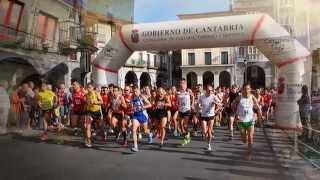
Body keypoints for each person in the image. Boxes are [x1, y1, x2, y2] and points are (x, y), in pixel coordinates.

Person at [233, 83, 262, 157]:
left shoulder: (252, 97)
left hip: (250, 120)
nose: (246, 90)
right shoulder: (239, 97)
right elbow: (233, 105)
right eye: (245, 89)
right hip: (241, 121)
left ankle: (249, 153)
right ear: (242, 89)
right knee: (244, 140)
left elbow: (258, 106)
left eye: (248, 89)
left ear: (250, 89)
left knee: (250, 138)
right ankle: (244, 137)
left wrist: (260, 115)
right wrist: (235, 114)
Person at [198, 85, 221, 151]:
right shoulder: (202, 96)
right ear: (206, 90)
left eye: (211, 90)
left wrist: (216, 105)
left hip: (211, 115)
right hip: (203, 115)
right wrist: (199, 106)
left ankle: (209, 145)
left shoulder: (213, 96)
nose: (210, 91)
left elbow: (220, 104)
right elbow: (199, 103)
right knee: (205, 132)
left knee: (209, 132)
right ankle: (207, 130)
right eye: (208, 90)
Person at [130, 86, 153, 152]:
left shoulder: (142, 97)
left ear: (139, 91)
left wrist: (142, 107)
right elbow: (132, 107)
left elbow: (150, 105)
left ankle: (149, 134)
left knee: (145, 131)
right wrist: (132, 109)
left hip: (143, 115)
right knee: (134, 130)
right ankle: (135, 146)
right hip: (136, 116)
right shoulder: (132, 98)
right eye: (134, 91)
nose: (135, 93)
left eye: (136, 91)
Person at [84, 83, 103, 147]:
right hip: (89, 112)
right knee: (88, 126)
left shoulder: (96, 93)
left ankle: (96, 132)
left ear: (92, 87)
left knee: (99, 125)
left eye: (90, 87)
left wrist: (95, 102)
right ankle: (89, 141)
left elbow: (101, 102)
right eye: (87, 87)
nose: (88, 89)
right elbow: (86, 104)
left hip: (97, 112)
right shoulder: (87, 95)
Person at [177, 78, 194, 146]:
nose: (181, 85)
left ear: (186, 84)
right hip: (181, 110)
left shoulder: (188, 91)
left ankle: (186, 137)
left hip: (187, 110)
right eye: (181, 83)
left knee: (185, 125)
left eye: (183, 83)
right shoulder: (178, 92)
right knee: (181, 126)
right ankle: (186, 136)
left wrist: (192, 104)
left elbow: (192, 96)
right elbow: (177, 100)